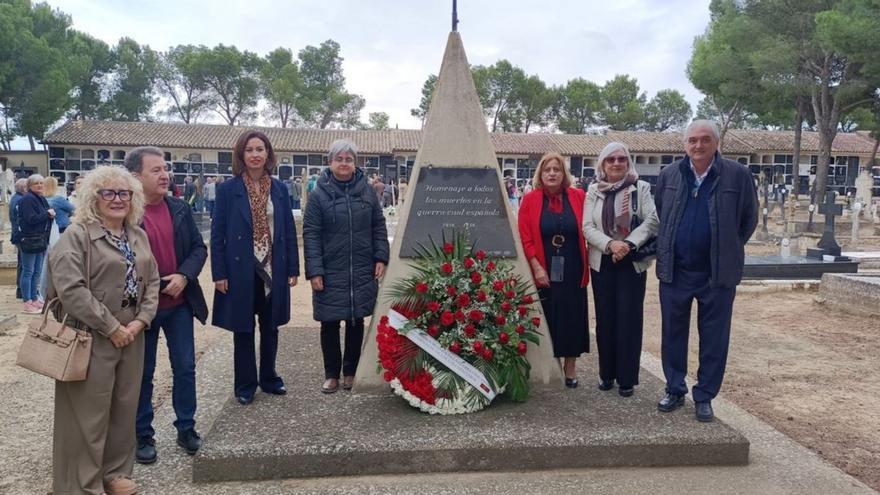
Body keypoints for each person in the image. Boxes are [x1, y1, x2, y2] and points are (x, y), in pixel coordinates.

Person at [45, 165, 160, 495]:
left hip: (131, 334)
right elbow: (71, 290)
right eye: (107, 192)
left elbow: (152, 280)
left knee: (124, 408)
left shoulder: (136, 234)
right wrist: (111, 327)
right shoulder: (77, 236)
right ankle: (80, 484)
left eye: (124, 193)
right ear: (92, 198)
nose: (117, 199)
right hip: (90, 335)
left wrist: (141, 320)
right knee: (87, 414)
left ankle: (114, 474)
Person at [654, 120, 758, 422]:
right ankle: (674, 388)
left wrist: (726, 248)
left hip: (717, 273)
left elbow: (747, 219)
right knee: (673, 333)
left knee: (714, 337)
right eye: (692, 140)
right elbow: (663, 212)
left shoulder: (737, 176)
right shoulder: (669, 175)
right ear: (684, 144)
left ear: (716, 143)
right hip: (676, 270)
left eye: (705, 140)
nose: (698, 146)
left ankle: (705, 395)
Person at [125, 147, 208, 464]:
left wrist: (185, 276)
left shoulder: (179, 209)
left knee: (185, 368)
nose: (165, 175)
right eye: (156, 170)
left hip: (179, 305)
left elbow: (199, 249)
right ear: (136, 176)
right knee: (142, 373)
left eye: (165, 169)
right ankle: (142, 434)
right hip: (140, 312)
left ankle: (186, 427)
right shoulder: (125, 214)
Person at [211, 131, 300, 405]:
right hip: (241, 268)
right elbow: (218, 233)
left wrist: (293, 268)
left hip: (274, 266)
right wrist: (219, 273)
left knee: (270, 325)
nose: (255, 154)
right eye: (249, 150)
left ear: (268, 154)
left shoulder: (280, 189)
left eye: (260, 149)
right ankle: (246, 385)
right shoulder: (228, 190)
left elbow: (287, 229)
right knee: (244, 328)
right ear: (241, 155)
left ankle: (270, 378)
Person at [303, 139, 389, 393]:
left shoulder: (367, 192)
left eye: (348, 159)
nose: (343, 163)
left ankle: (350, 371)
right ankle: (331, 373)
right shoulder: (318, 195)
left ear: (355, 163)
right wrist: (315, 270)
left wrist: (381, 256)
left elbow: (378, 225)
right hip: (331, 267)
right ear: (330, 162)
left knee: (355, 320)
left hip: (360, 266)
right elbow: (311, 234)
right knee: (329, 321)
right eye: (339, 159)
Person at [583, 142, 659, 397]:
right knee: (606, 319)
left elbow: (652, 220)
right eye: (610, 159)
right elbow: (586, 226)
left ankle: (627, 377)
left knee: (629, 319)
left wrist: (626, 244)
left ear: (628, 162)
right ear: (602, 164)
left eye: (621, 159)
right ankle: (607, 374)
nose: (616, 163)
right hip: (603, 260)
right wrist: (610, 244)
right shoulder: (593, 191)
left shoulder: (641, 188)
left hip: (631, 261)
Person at [517, 153, 589, 388]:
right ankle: (550, 362)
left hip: (573, 265)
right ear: (540, 173)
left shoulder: (578, 196)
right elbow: (525, 237)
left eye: (556, 169)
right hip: (544, 265)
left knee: (572, 316)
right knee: (548, 315)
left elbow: (589, 226)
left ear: (563, 173)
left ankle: (570, 366)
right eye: (547, 169)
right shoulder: (530, 200)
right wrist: (537, 267)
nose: (552, 173)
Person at [17, 174, 55, 314]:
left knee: (37, 271)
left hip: (40, 239)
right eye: (36, 183)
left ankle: (34, 298)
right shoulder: (27, 199)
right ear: (30, 185)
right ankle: (27, 301)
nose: (40, 185)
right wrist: (47, 214)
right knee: (28, 271)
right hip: (29, 239)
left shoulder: (40, 198)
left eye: (41, 183)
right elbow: (31, 219)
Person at [8, 178, 27, 300]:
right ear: (24, 188)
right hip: (21, 236)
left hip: (17, 235)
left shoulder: (15, 198)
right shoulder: (20, 200)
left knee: (22, 264)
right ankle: (21, 291)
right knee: (25, 265)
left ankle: (20, 290)